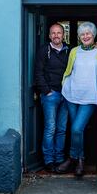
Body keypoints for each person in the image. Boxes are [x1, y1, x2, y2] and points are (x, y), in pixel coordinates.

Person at [55, 22, 97, 178]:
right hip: (72, 95)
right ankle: (80, 162)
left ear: (94, 35)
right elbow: (69, 70)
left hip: (90, 96)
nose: (85, 36)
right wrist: (65, 84)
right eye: (82, 34)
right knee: (77, 130)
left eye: (88, 33)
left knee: (76, 128)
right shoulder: (74, 51)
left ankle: (73, 158)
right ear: (79, 36)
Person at [34, 23, 70, 172]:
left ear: (63, 35)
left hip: (67, 95)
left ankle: (59, 159)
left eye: (59, 33)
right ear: (49, 36)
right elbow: (38, 72)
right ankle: (49, 160)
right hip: (51, 95)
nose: (56, 35)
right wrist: (46, 91)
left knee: (61, 129)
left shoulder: (70, 51)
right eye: (53, 33)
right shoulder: (44, 51)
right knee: (50, 128)